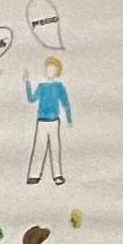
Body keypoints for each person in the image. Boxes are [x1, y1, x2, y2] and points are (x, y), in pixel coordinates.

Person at [24, 54, 72, 185]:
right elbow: (31, 99)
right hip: (41, 121)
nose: (47, 71)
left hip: (54, 121)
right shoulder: (42, 86)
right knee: (39, 147)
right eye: (46, 68)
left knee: (55, 148)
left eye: (51, 68)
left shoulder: (59, 86)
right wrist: (27, 82)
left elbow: (66, 102)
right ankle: (34, 175)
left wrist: (69, 119)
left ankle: (57, 175)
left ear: (57, 71)